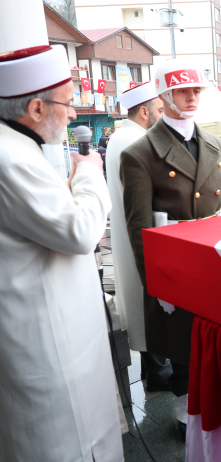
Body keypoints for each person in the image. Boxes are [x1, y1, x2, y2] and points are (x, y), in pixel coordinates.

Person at [0, 44, 123, 461]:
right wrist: (89, 176)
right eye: (68, 103)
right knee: (63, 440)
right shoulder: (10, 158)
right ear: (36, 108)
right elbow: (79, 232)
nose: (74, 115)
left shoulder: (18, 149)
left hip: (58, 321)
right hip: (44, 335)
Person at [120, 60, 221, 431]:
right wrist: (157, 281)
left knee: (218, 334)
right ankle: (185, 403)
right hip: (176, 261)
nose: (191, 97)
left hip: (215, 254)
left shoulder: (215, 143)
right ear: (164, 96)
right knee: (184, 341)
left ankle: (216, 396)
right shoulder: (140, 154)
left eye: (196, 90)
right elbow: (138, 227)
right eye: (183, 91)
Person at [106, 82, 172, 391]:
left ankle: (151, 370)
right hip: (142, 236)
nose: (163, 115)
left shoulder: (119, 137)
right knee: (151, 303)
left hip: (127, 233)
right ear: (144, 112)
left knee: (141, 302)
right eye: (160, 110)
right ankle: (157, 373)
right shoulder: (138, 141)